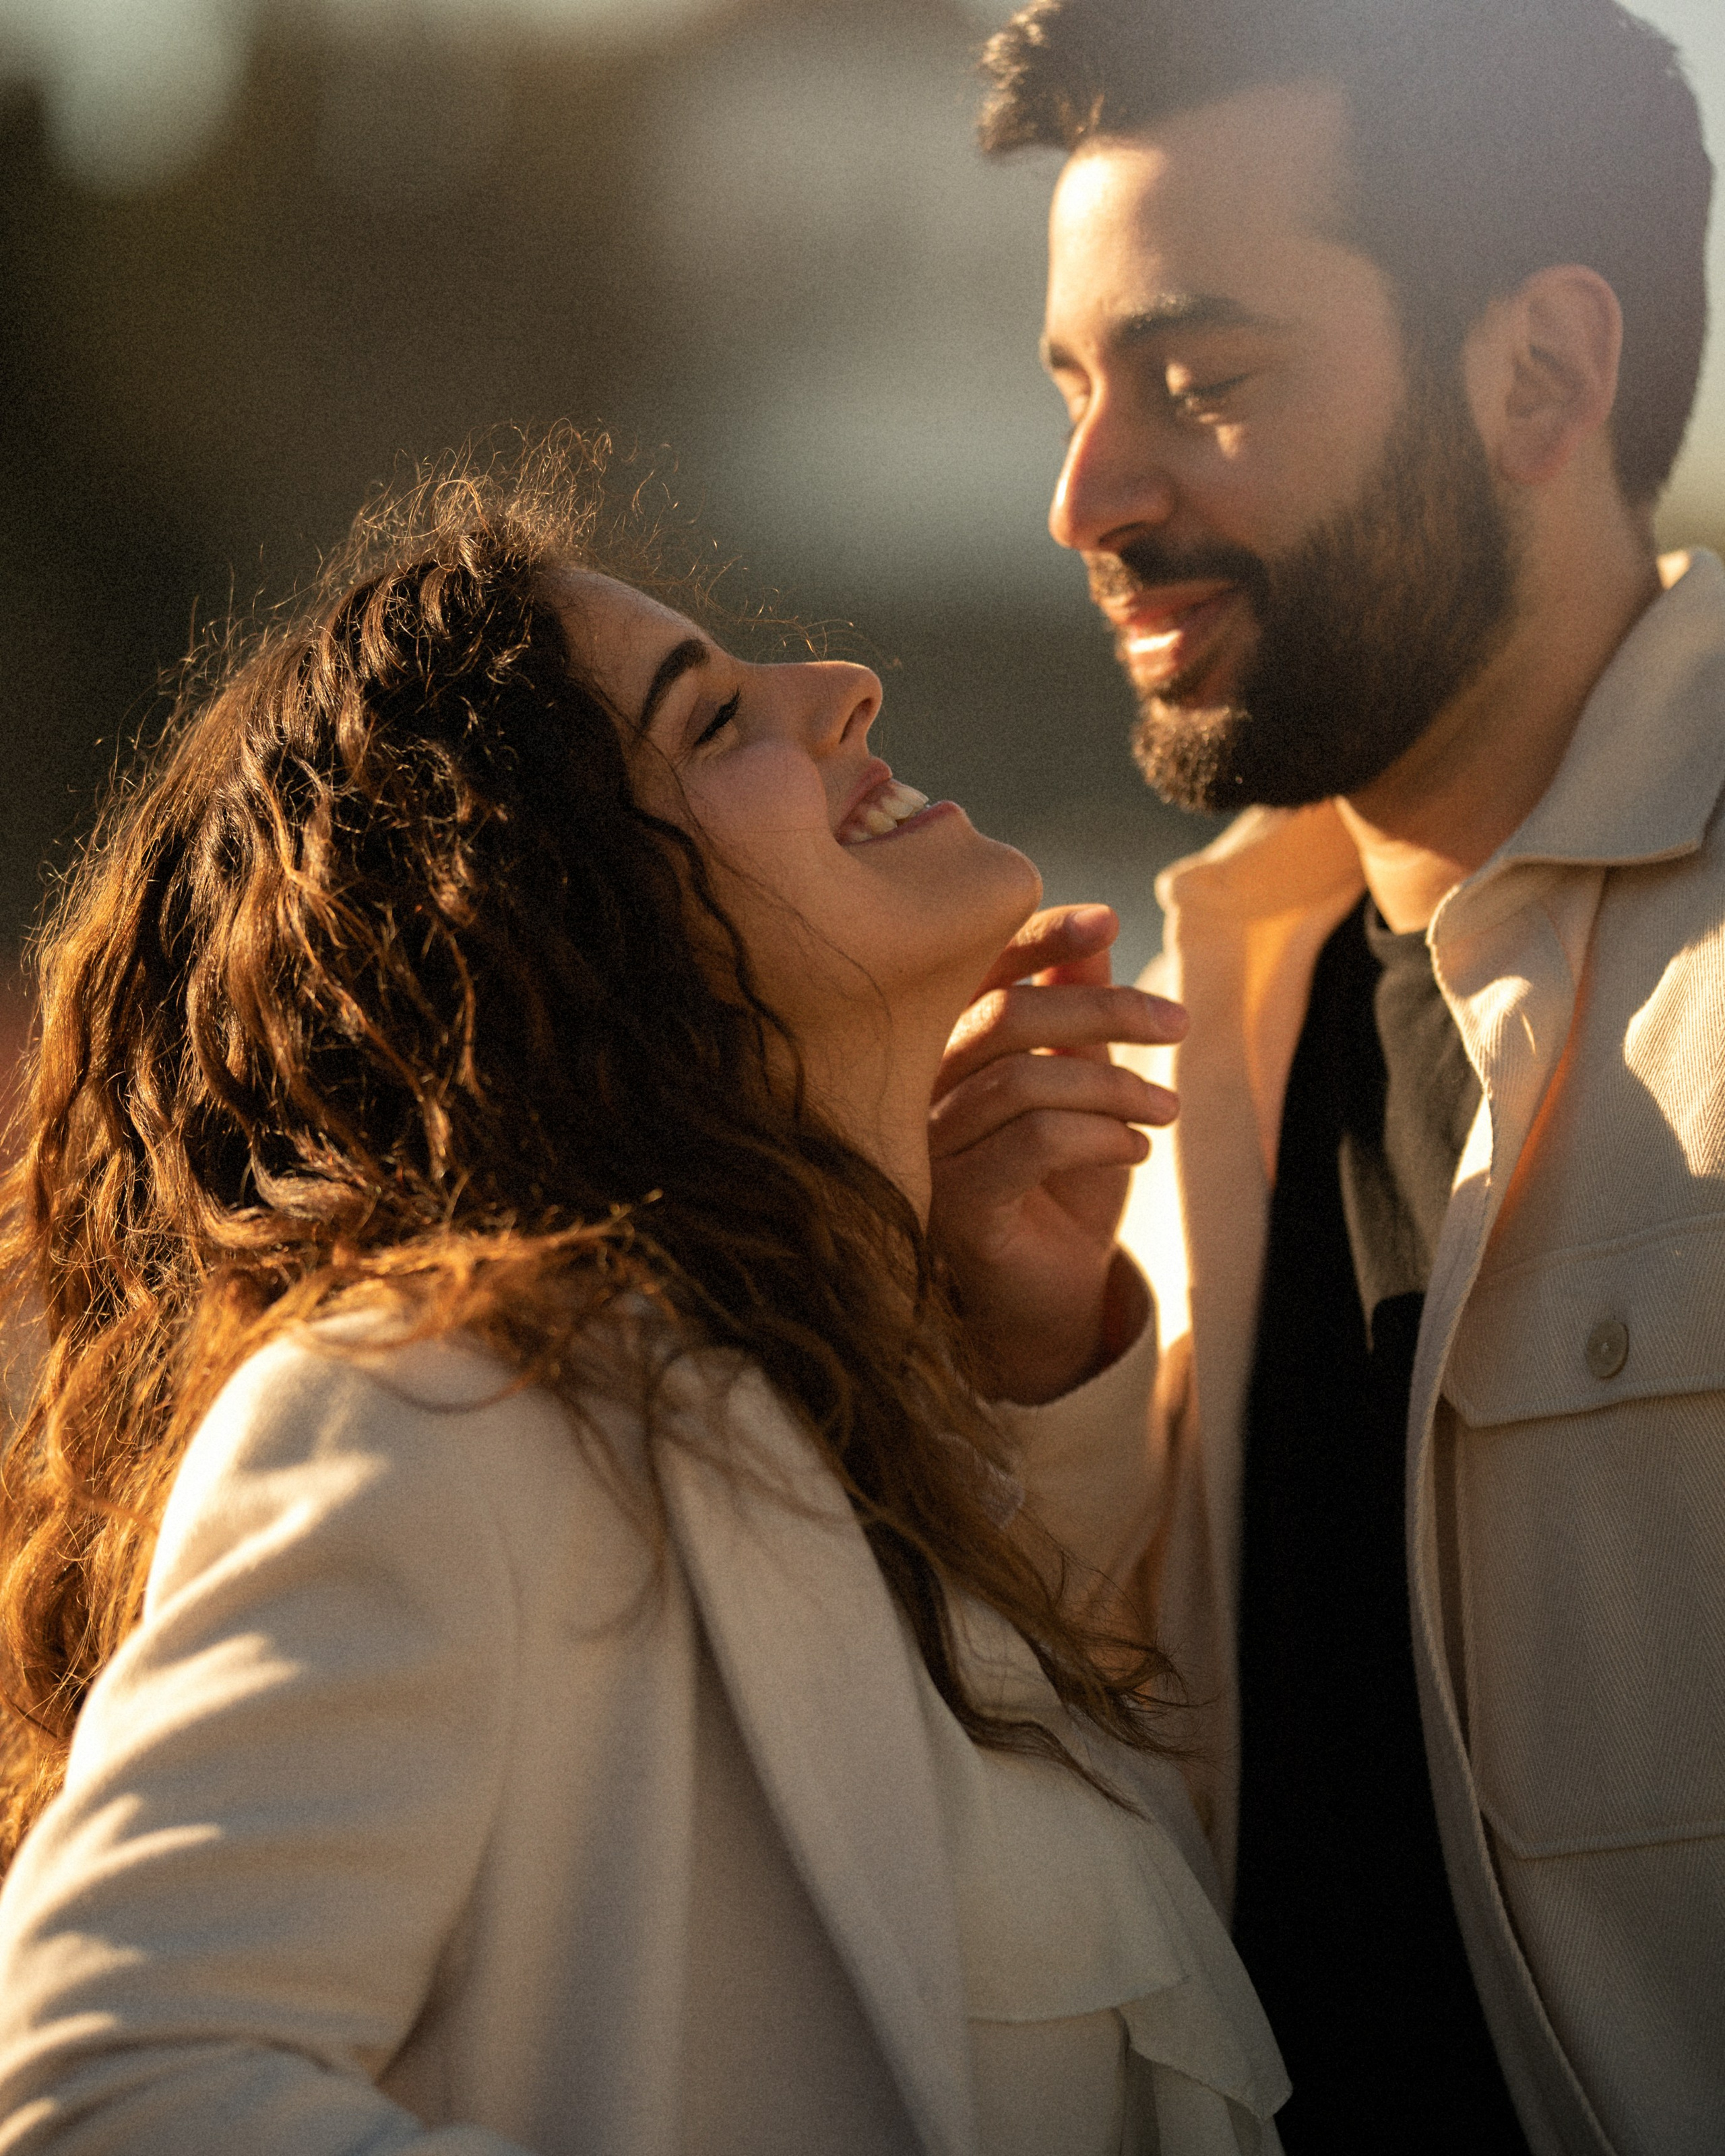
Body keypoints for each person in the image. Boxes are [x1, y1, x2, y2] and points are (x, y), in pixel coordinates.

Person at [0, 443, 1288, 2155]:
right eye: (708, 722)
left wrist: (1021, 1353)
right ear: (552, 937)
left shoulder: (860, 1439)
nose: (837, 686)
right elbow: (109, 2088)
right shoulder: (440, 1409)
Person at [927, 1, 1724, 2151]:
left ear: (1542, 376)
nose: (1092, 494)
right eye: (1079, 393)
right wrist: (1047, 1359)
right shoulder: (1192, 1026)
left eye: (1206, 384)